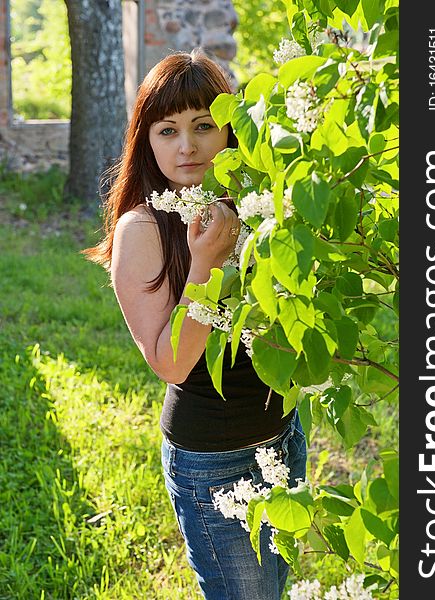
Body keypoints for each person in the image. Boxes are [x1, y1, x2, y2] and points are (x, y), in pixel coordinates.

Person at [82, 49, 307, 600]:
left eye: (204, 125)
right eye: (168, 130)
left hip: (282, 435)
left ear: (229, 129)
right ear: (147, 140)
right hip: (214, 458)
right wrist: (204, 265)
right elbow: (171, 363)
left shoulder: (257, 201)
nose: (187, 146)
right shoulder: (143, 230)